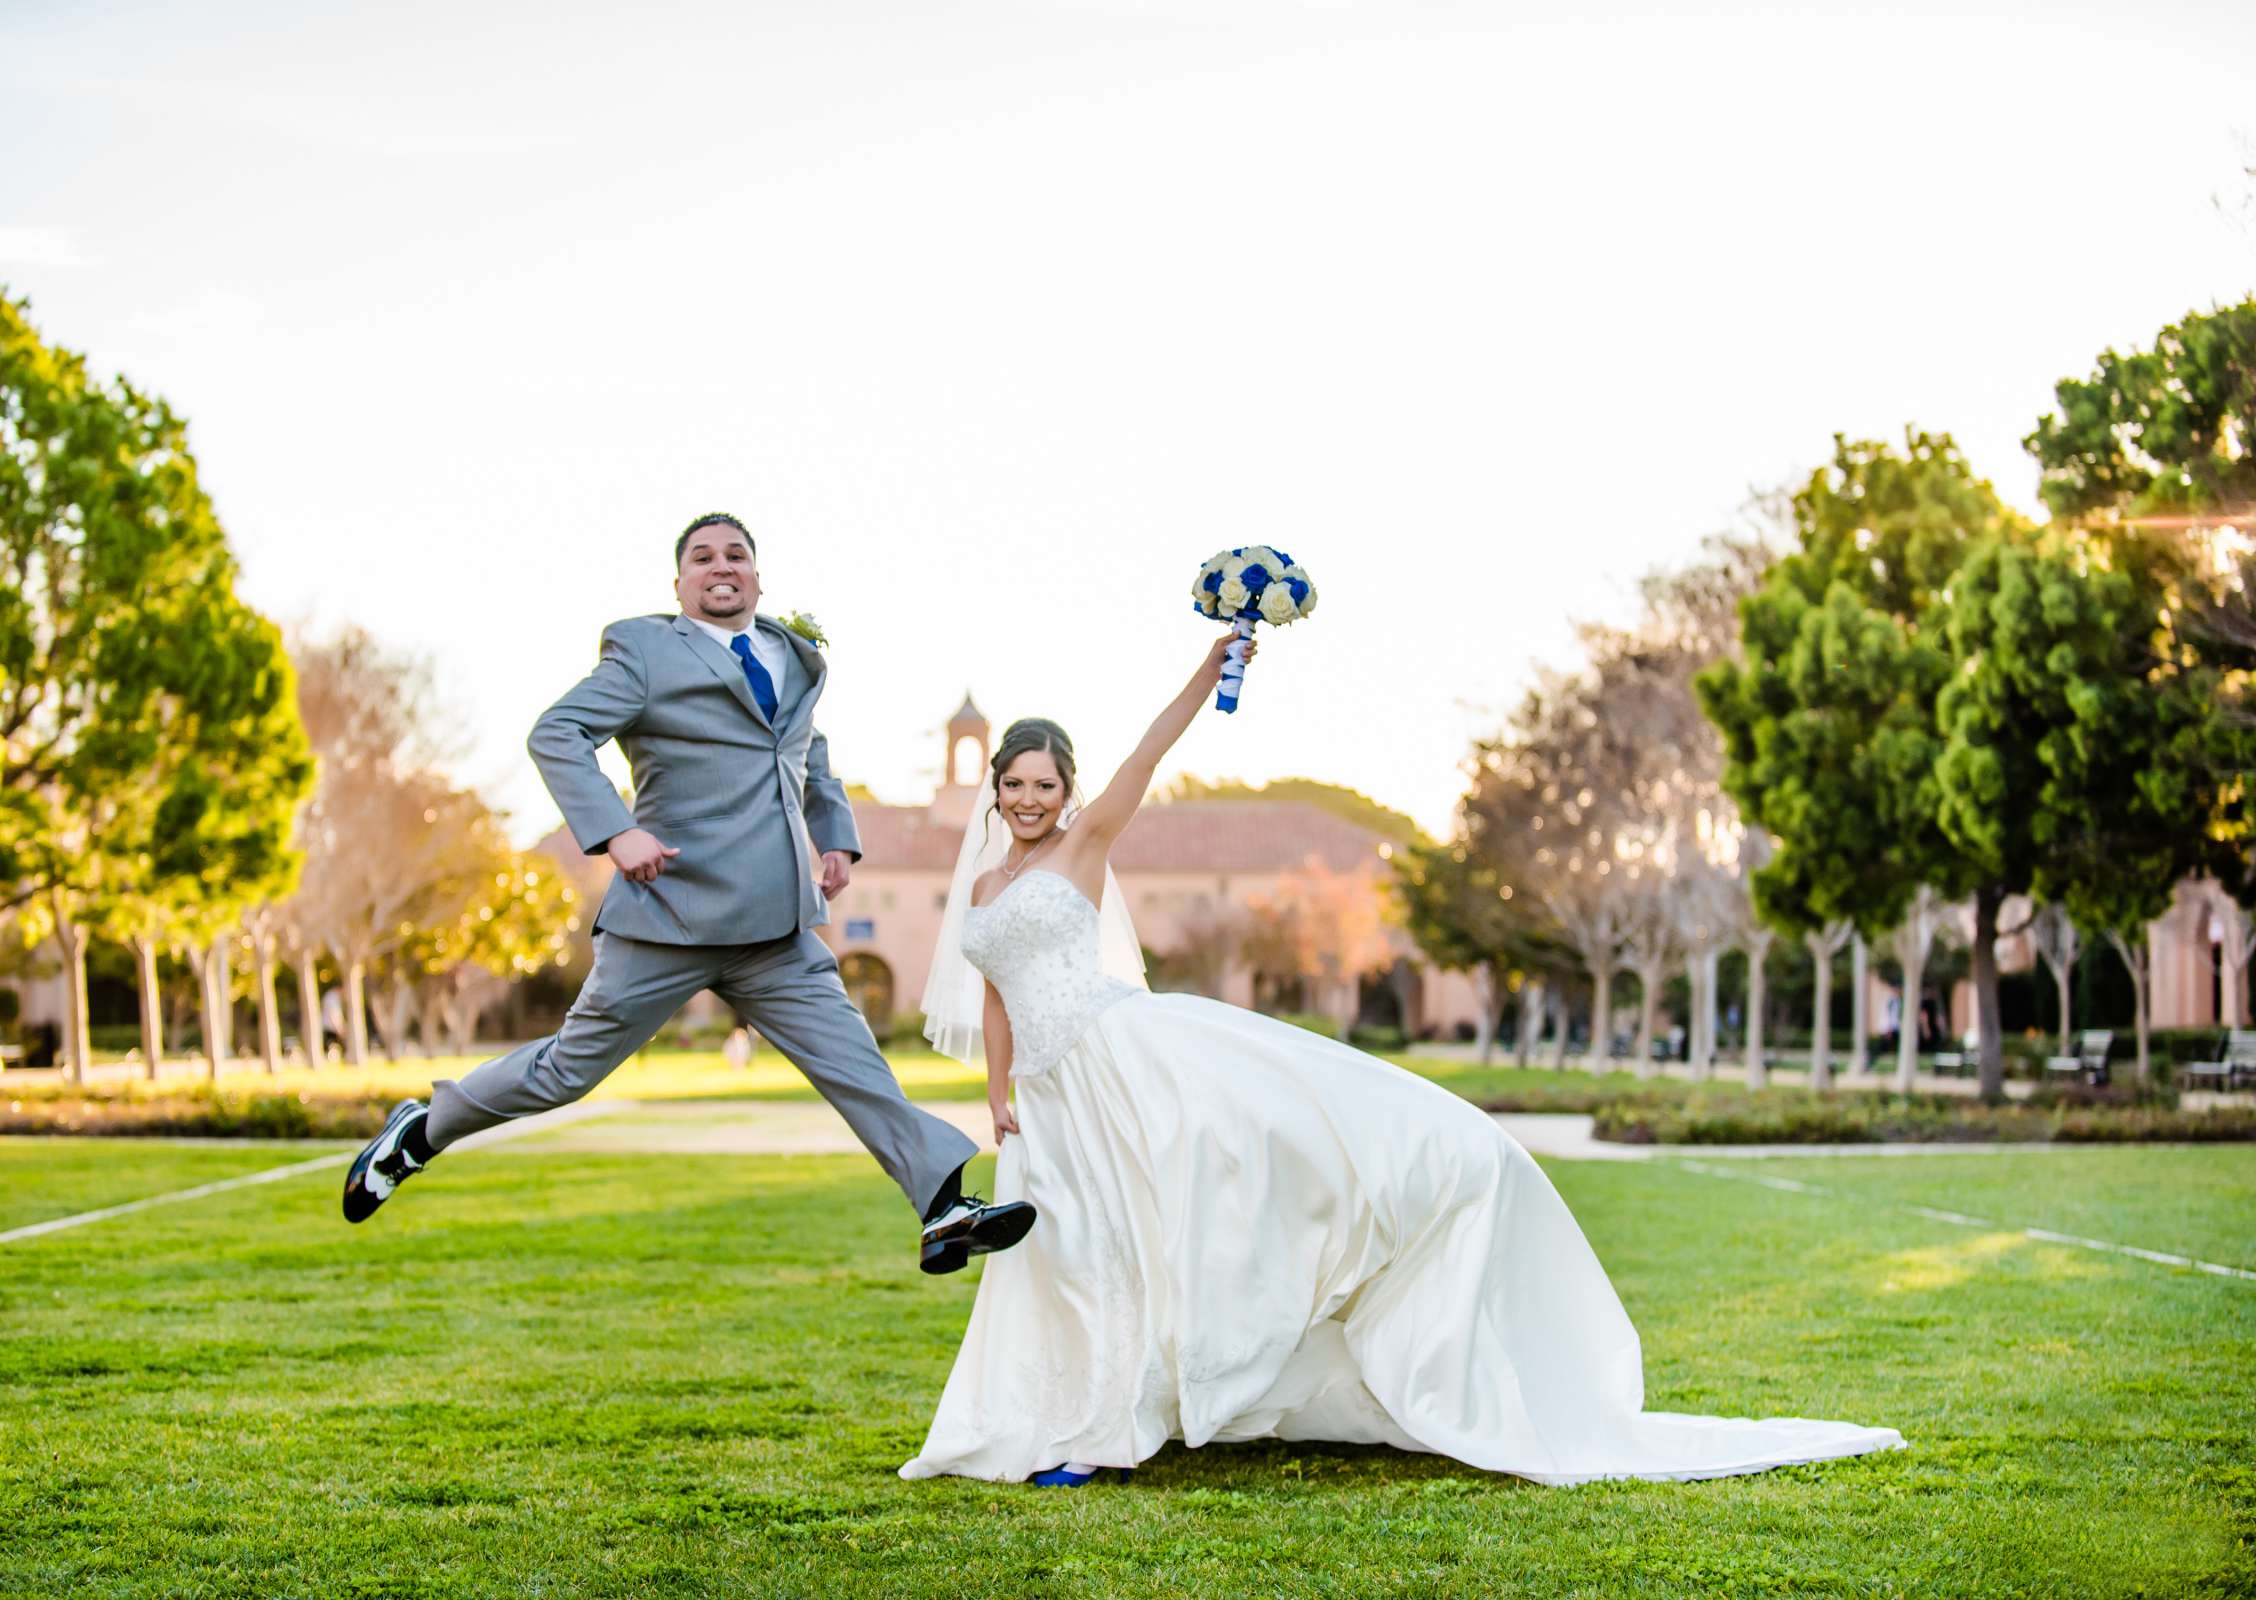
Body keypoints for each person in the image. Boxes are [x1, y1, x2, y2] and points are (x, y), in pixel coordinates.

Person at [901, 633, 1905, 1487]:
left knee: (1155, 1226)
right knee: (1068, 1249)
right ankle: (1068, 1408)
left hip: (1122, 1059)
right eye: (1015, 785)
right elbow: (994, 993)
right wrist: (997, 1086)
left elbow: (1150, 751)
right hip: (1047, 1090)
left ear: (1066, 792)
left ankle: (1110, 1425)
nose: (1029, 797)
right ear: (993, 788)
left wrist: (1211, 667)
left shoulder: (1088, 846)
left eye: (1045, 785)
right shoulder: (984, 889)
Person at [342, 513, 1023, 1275]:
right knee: (566, 1070)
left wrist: (834, 833)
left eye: (736, 555)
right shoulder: (644, 653)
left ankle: (943, 1208)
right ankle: (424, 1129)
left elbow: (808, 753)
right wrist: (613, 832)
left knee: (857, 1066)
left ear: (759, 579)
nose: (720, 566)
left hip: (775, 929)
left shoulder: (792, 658)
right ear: (680, 585)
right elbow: (556, 734)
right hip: (669, 913)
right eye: (702, 558)